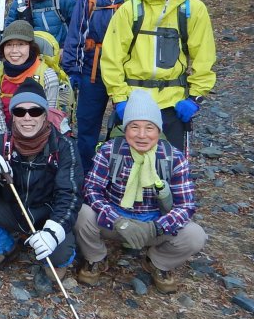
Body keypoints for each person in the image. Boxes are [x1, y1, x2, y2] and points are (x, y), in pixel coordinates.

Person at [75, 89, 207, 293]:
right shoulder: (110, 151)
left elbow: (186, 206)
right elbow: (92, 190)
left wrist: (156, 228)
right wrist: (117, 220)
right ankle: (96, 258)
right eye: (134, 127)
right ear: (125, 129)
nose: (142, 135)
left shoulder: (174, 157)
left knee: (195, 235)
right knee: (81, 214)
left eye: (149, 128)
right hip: (115, 221)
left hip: (155, 224)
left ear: (159, 130)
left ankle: (157, 262)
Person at [0, 79, 81, 275]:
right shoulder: (0, 143)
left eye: (35, 111)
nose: (27, 117)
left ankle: (57, 260)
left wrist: (52, 232)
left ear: (45, 115)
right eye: (19, 111)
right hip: (13, 211)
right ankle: (4, 246)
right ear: (13, 115)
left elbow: (71, 194)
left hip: (47, 216)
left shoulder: (64, 146)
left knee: (58, 256)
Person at [100, 0, 217, 149]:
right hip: (133, 99)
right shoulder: (131, 9)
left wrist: (195, 97)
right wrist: (119, 98)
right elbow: (112, 57)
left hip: (174, 102)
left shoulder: (194, 10)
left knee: (169, 164)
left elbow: (203, 56)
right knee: (128, 166)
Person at [62, 0, 141, 171]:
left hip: (128, 70)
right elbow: (76, 33)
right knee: (87, 126)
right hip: (92, 69)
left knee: (126, 124)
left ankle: (119, 174)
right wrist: (73, 70)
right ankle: (84, 176)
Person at [0, 20, 59, 137]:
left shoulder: (47, 76)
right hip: (6, 129)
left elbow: (49, 116)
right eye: (9, 45)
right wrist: (4, 139)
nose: (14, 51)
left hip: (37, 133)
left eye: (21, 44)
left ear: (31, 47)